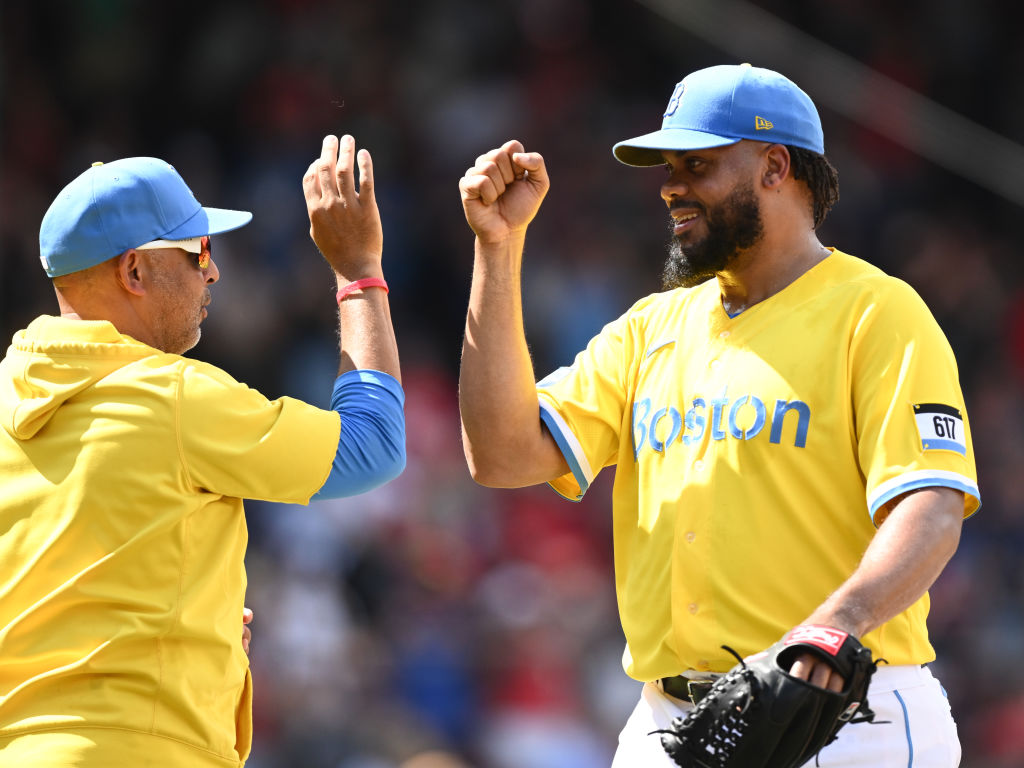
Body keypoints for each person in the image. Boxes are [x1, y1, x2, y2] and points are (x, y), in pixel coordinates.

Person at [457, 64, 980, 766]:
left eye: (698, 163)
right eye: (668, 166)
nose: (671, 184)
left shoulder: (877, 312)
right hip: (673, 722)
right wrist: (497, 247)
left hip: (846, 715)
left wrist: (832, 629)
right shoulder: (650, 327)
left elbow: (933, 507)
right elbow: (500, 452)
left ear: (774, 166)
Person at [0, 134, 404, 767]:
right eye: (198, 251)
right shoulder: (173, 398)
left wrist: (192, 627)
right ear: (134, 271)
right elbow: (375, 444)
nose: (213, 270)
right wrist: (358, 275)